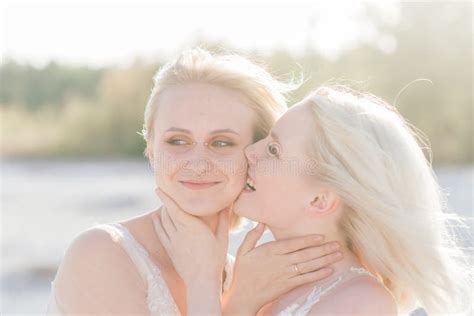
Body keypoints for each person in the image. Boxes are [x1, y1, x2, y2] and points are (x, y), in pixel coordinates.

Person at [46, 49, 343, 315]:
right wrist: (205, 285)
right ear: (151, 150)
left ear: (254, 156)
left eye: (222, 142)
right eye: (177, 140)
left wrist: (238, 299)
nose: (198, 164)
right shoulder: (101, 253)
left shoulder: (247, 278)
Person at [155, 86, 471, 315]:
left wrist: (201, 283)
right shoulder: (265, 282)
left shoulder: (359, 303)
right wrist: (239, 301)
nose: (250, 152)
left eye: (274, 150)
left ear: (320, 199)